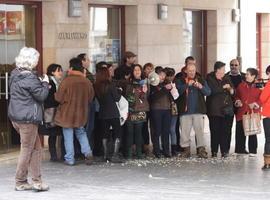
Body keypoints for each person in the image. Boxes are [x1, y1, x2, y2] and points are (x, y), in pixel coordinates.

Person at [8, 47, 50, 191]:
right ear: (31, 61)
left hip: (17, 117)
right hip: (28, 120)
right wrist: (45, 83)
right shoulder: (30, 77)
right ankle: (21, 181)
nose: (37, 62)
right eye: (36, 59)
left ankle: (36, 181)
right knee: (27, 149)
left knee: (36, 149)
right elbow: (42, 95)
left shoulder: (15, 74)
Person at [54, 58, 95, 166]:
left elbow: (58, 98)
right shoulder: (87, 82)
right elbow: (91, 98)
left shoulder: (66, 81)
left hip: (67, 113)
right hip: (81, 113)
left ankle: (70, 159)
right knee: (81, 132)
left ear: (71, 68)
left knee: (68, 134)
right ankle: (88, 153)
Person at [176, 63, 211, 158]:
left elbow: (208, 92)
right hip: (185, 111)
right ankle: (186, 150)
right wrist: (187, 85)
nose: (192, 73)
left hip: (198, 111)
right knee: (184, 133)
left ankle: (201, 150)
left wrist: (201, 87)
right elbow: (177, 92)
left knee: (199, 131)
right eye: (190, 71)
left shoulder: (201, 80)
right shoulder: (180, 80)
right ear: (186, 71)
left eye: (193, 71)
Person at [206, 61, 234, 158]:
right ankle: (214, 151)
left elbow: (233, 91)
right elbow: (212, 91)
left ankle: (225, 151)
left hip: (227, 109)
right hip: (214, 110)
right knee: (215, 131)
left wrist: (230, 88)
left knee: (226, 131)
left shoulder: (227, 77)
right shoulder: (210, 78)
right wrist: (223, 87)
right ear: (217, 70)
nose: (224, 71)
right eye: (222, 69)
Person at [94, 67, 122, 162]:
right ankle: (115, 155)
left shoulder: (96, 86)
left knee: (104, 134)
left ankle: (105, 155)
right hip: (113, 113)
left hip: (102, 113)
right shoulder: (111, 85)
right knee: (117, 133)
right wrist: (120, 91)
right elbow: (117, 98)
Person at [150, 67, 178, 158]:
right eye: (160, 75)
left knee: (166, 131)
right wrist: (165, 89)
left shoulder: (167, 83)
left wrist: (173, 90)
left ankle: (166, 150)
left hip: (167, 110)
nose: (162, 77)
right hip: (156, 110)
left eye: (163, 75)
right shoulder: (153, 84)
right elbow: (153, 98)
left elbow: (175, 96)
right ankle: (157, 150)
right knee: (157, 131)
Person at [38, 64, 64, 161]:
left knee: (55, 132)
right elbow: (48, 97)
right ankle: (53, 155)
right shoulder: (49, 82)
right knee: (52, 133)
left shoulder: (58, 81)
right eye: (58, 70)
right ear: (52, 72)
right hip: (51, 110)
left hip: (56, 110)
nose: (61, 72)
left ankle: (55, 155)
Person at [124, 64, 149, 159]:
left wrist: (145, 91)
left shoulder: (145, 82)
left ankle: (139, 153)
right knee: (130, 132)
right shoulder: (128, 83)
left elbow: (147, 97)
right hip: (130, 110)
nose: (137, 72)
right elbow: (127, 97)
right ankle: (129, 153)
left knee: (139, 132)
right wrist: (134, 92)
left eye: (138, 70)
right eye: (135, 70)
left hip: (141, 110)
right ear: (132, 72)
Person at [234, 68, 261, 156]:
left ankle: (253, 151)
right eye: (246, 74)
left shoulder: (259, 85)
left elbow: (263, 98)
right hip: (242, 111)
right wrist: (237, 101)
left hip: (253, 112)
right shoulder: (241, 85)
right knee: (240, 131)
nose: (245, 76)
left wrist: (256, 104)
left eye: (248, 74)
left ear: (253, 76)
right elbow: (236, 96)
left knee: (252, 132)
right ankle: (240, 150)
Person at [226, 58, 246, 153]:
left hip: (241, 105)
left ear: (239, 66)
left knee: (241, 127)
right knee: (227, 128)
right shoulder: (225, 76)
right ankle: (225, 149)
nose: (233, 67)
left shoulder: (244, 77)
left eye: (235, 65)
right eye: (231, 65)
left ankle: (240, 149)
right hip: (228, 105)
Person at [260, 65, 270, 170]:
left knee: (268, 139)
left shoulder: (269, 84)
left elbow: (262, 98)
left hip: (268, 115)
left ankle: (267, 163)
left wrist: (263, 90)